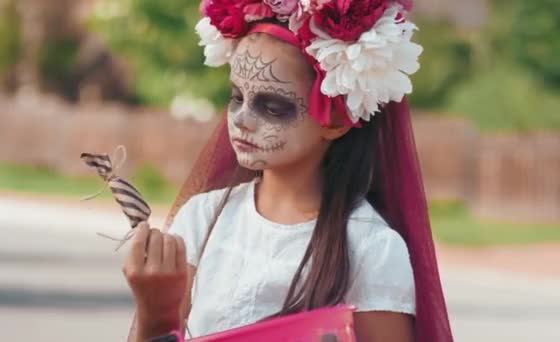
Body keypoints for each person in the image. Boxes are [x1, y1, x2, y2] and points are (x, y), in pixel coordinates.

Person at [123, 0, 453, 341]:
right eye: (236, 97)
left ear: (337, 119)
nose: (241, 119)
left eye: (272, 106)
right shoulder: (202, 218)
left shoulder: (371, 248)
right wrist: (156, 313)